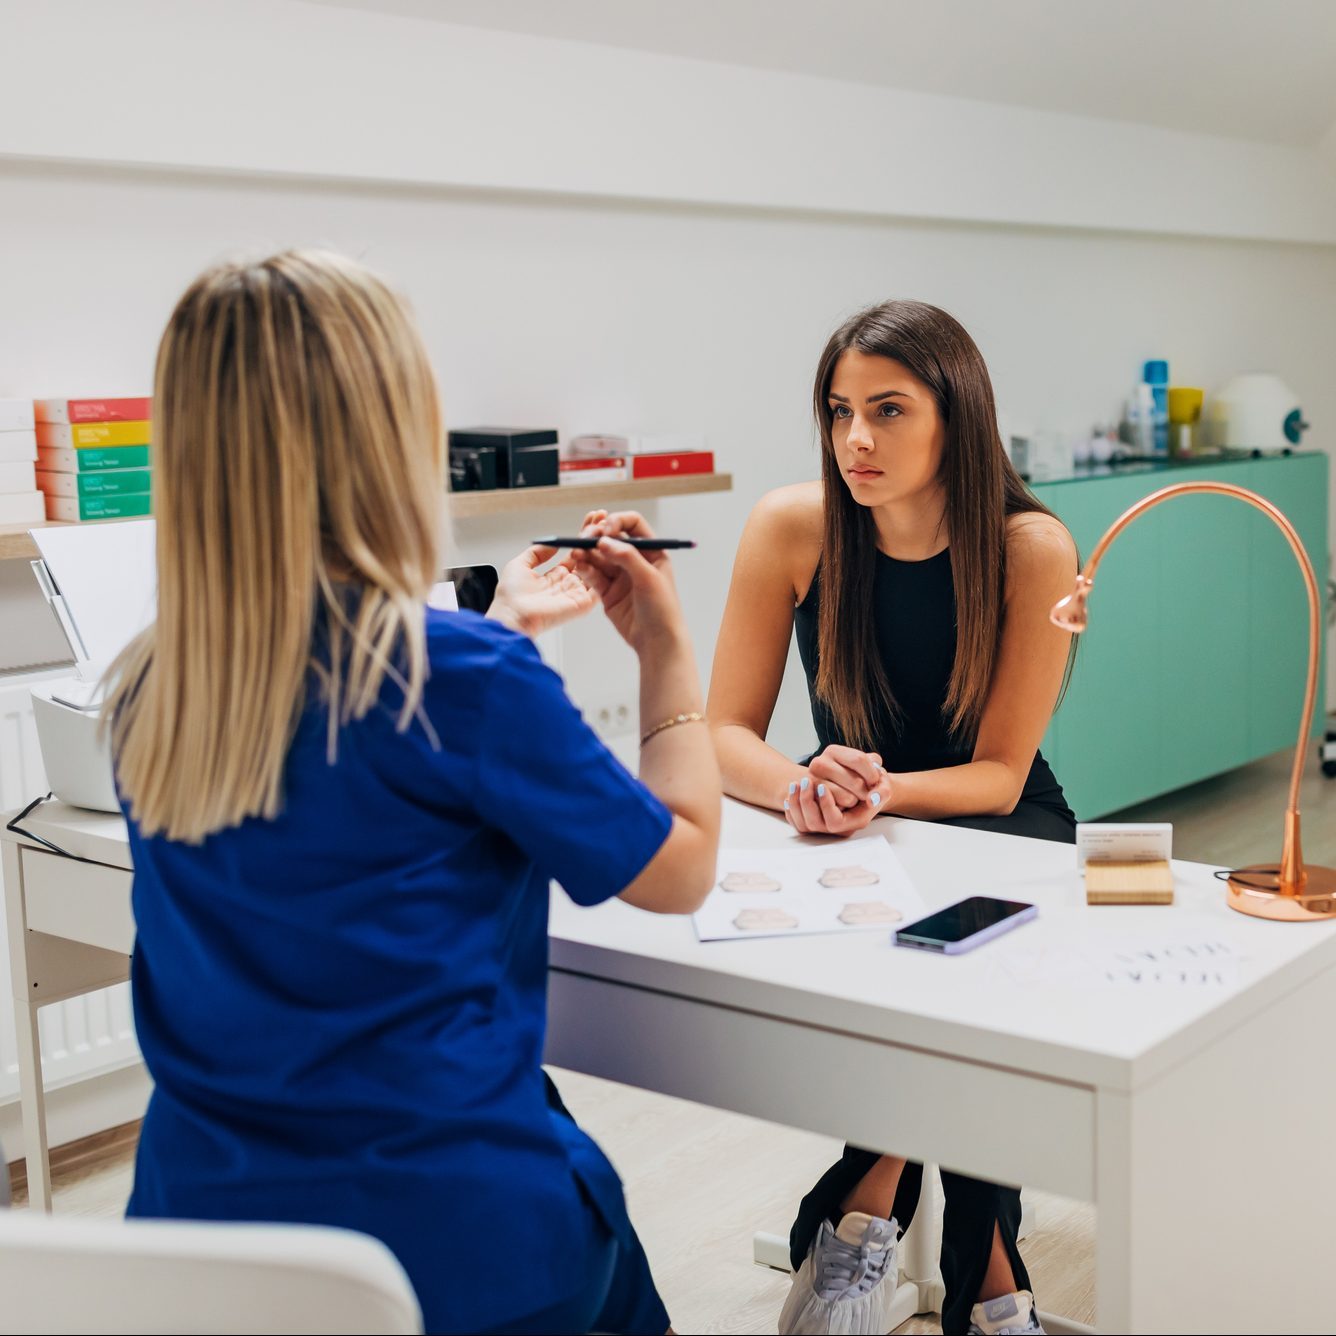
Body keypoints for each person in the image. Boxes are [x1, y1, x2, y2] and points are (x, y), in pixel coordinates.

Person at [106, 249, 720, 1335]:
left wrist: (500, 636)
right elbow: (680, 868)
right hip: (450, 1257)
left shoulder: (158, 683)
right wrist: (666, 655)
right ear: (385, 438)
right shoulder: (460, 684)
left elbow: (334, 760)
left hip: (204, 1255)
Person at [707, 300, 1078, 1336]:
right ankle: (990, 1269)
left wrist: (873, 790)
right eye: (838, 412)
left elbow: (1002, 774)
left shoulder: (1030, 545)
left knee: (952, 974)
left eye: (887, 410)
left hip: (1000, 831)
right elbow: (720, 731)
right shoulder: (793, 526)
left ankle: (867, 1206)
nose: (855, 440)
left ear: (954, 418)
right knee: (928, 995)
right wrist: (799, 786)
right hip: (858, 831)